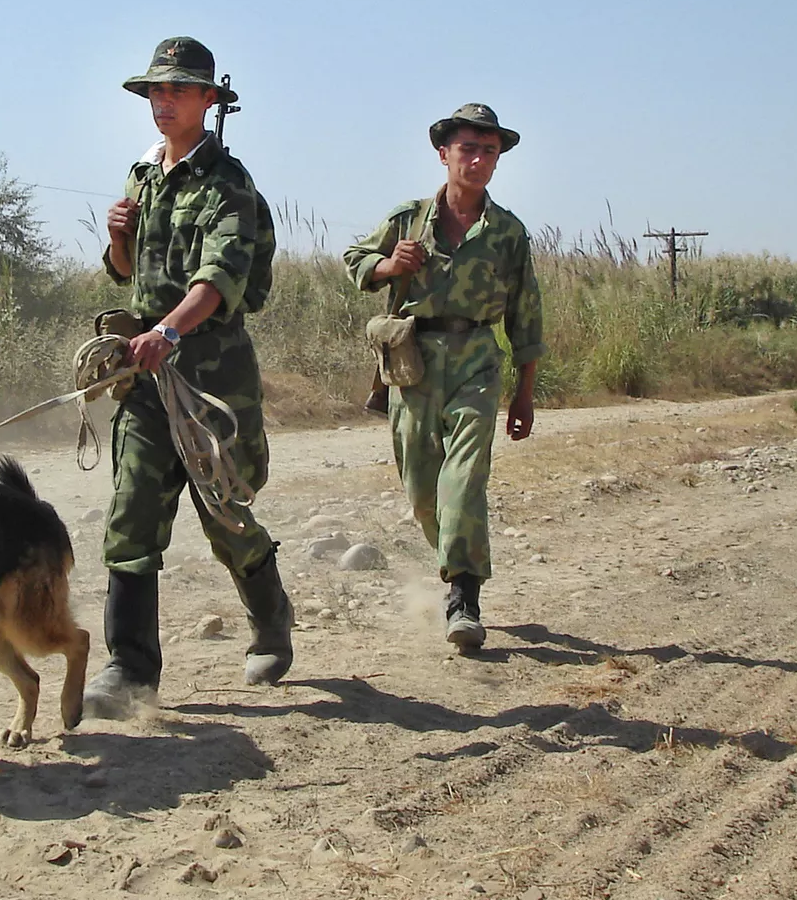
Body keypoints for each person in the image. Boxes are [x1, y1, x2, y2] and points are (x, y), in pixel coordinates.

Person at [83, 36, 294, 719]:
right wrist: (118, 237)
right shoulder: (141, 179)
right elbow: (126, 272)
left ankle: (271, 616)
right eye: (155, 90)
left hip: (211, 377)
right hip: (147, 378)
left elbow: (220, 279)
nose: (163, 101)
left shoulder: (230, 186)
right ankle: (130, 668)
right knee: (133, 514)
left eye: (178, 90)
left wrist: (169, 330)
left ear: (210, 99)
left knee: (224, 514)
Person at [342, 103, 543, 653]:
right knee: (423, 492)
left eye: (489, 151)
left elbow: (526, 315)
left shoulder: (507, 233)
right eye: (467, 149)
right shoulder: (408, 219)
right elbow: (355, 258)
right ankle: (453, 563)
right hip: (413, 361)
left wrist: (523, 394)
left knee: (464, 480)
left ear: (498, 160)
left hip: (477, 355)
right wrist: (388, 266)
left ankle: (464, 597)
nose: (477, 160)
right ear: (444, 154)